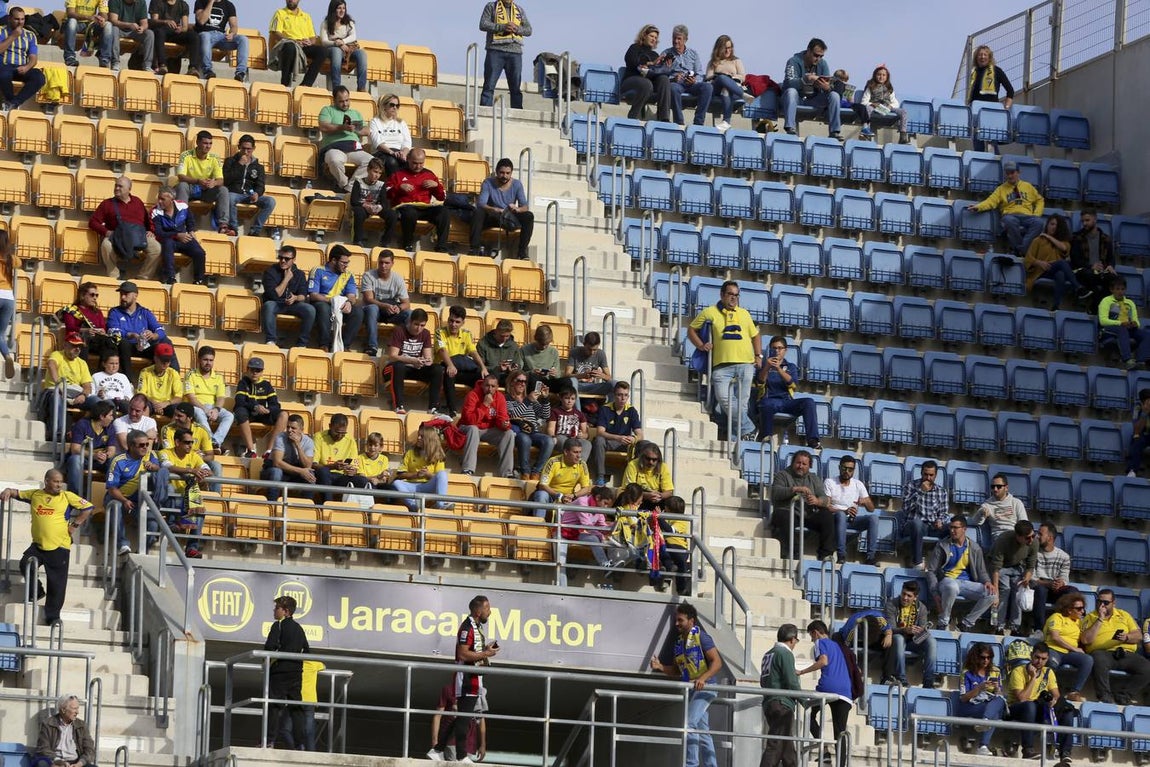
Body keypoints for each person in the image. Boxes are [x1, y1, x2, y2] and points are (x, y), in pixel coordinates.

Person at [1, 471, 93, 625]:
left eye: (61, 482)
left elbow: (88, 507)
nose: (59, 485)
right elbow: (17, 493)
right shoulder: (35, 495)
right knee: (25, 564)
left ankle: (53, 617)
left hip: (59, 546)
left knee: (56, 584)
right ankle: (37, 591)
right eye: (55, 481)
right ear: (46, 481)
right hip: (38, 545)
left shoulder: (67, 496)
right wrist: (7, 491)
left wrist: (75, 525)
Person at [688, 281, 761, 441]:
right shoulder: (710, 312)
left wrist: (758, 355)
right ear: (722, 295)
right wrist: (701, 345)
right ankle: (749, 428)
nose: (733, 298)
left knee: (741, 404)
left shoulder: (744, 313)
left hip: (745, 364)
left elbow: (755, 335)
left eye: (736, 295)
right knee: (724, 400)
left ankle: (738, 439)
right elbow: (691, 329)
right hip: (720, 366)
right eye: (730, 294)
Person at [428, 596, 499, 762]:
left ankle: (437, 750)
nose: (490, 612)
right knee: (465, 718)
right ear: (478, 610)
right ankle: (461, 756)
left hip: (474, 677)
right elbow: (462, 653)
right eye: (488, 608)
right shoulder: (467, 627)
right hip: (467, 678)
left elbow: (474, 652)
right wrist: (486, 654)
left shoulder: (476, 627)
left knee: (463, 716)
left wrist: (486, 650)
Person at [651, 602, 722, 767]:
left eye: (680, 620)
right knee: (703, 732)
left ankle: (691, 764)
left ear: (691, 621)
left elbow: (717, 663)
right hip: (693, 689)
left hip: (706, 688)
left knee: (689, 724)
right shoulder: (679, 643)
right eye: (677, 620)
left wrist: (703, 678)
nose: (677, 624)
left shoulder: (702, 637)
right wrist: (660, 667)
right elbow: (677, 670)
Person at [1005, 642, 1073, 762]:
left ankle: (1065, 752)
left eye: (1043, 659)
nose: (1039, 661)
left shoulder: (1048, 672)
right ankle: (1027, 750)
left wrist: (1053, 700)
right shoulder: (1018, 671)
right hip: (1017, 708)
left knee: (1067, 711)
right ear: (1031, 656)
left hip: (1039, 707)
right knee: (1030, 706)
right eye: (1037, 657)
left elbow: (1056, 694)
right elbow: (1022, 698)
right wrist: (1033, 678)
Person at [1081, 587, 1150, 704]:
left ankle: (1123, 695)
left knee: (1147, 668)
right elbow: (1086, 640)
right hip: (1103, 653)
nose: (1102, 605)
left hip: (1125, 653)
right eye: (1099, 602)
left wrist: (1127, 637)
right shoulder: (1090, 617)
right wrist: (1100, 619)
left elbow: (1138, 635)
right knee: (1098, 660)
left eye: (1106, 603)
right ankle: (1105, 696)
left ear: (1113, 603)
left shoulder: (1124, 615)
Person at [104, 429, 169, 554]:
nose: (145, 448)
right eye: (141, 445)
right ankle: (122, 545)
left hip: (139, 501)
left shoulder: (151, 456)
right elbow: (112, 489)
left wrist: (155, 467)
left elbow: (160, 471)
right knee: (116, 507)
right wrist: (124, 500)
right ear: (131, 446)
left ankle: (142, 551)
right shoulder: (118, 461)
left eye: (146, 444)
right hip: (118, 497)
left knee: (153, 524)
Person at [88, 177, 162, 281]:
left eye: (120, 186)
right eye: (116, 186)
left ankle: (143, 277)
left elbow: (147, 220)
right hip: (117, 237)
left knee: (156, 248)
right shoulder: (107, 204)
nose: (117, 188)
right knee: (106, 245)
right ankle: (114, 276)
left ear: (129, 189)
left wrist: (150, 230)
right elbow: (93, 222)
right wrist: (106, 232)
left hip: (138, 237)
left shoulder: (138, 202)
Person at [966, 161, 1045, 256]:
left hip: (1027, 216)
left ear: (1018, 173)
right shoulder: (1001, 189)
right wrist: (978, 207)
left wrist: (1036, 214)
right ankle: (1023, 251)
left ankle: (1020, 249)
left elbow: (1040, 200)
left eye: (1012, 173)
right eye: (1007, 173)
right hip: (1010, 216)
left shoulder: (1028, 186)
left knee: (1039, 222)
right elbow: (991, 201)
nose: (1010, 176)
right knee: (1009, 221)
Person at [797, 620, 851, 759]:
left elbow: (823, 661)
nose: (811, 639)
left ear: (815, 632)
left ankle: (824, 751)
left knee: (809, 714)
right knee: (840, 731)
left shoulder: (820, 643)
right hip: (845, 692)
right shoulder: (837, 646)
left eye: (811, 636)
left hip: (828, 688)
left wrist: (802, 672)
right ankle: (841, 764)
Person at [755, 336, 820, 448]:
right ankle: (766, 438)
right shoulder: (764, 366)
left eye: (780, 348)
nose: (777, 351)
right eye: (774, 348)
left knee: (809, 402)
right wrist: (767, 367)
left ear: (785, 350)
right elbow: (760, 382)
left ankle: (813, 440)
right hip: (770, 400)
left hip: (787, 402)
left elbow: (793, 384)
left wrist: (779, 369)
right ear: (770, 349)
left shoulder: (791, 367)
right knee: (765, 404)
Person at [264, 595, 310, 750]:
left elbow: (269, 648)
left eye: (277, 608)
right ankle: (300, 744)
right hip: (296, 673)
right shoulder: (299, 628)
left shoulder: (278, 625)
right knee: (296, 709)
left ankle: (269, 741)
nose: (274, 610)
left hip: (280, 672)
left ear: (286, 611)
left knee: (274, 707)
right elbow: (307, 650)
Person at [769, 450, 833, 560]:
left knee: (826, 515)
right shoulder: (782, 475)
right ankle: (794, 552)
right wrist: (795, 489)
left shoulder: (814, 478)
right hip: (788, 511)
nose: (800, 466)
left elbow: (825, 499)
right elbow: (775, 493)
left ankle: (825, 554)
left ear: (809, 466)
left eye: (804, 464)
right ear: (793, 463)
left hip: (808, 513)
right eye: (798, 463)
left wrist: (817, 501)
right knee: (784, 516)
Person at [159, 425, 210, 558]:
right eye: (187, 442)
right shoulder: (165, 452)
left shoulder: (194, 456)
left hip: (186, 497)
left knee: (199, 507)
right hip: (169, 497)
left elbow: (208, 469)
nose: (190, 446)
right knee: (170, 487)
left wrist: (203, 473)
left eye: (191, 442)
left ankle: (191, 548)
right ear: (177, 442)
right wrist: (191, 470)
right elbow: (167, 466)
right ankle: (172, 523)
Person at [107, 280, 177, 375]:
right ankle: (129, 381)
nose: (122, 297)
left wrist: (153, 335)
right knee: (123, 343)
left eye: (126, 294)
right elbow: (112, 330)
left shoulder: (145, 312)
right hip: (125, 348)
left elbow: (160, 330)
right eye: (121, 294)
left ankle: (173, 376)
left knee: (165, 343)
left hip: (143, 347)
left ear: (135, 295)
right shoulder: (115, 312)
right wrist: (130, 335)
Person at [386, 148, 449, 252]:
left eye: (421, 163)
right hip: (405, 208)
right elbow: (386, 194)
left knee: (444, 212)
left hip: (424, 208)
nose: (418, 166)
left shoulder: (429, 174)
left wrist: (436, 186)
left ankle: (441, 247)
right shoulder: (398, 174)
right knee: (409, 213)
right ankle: (407, 244)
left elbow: (441, 197)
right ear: (408, 159)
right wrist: (399, 187)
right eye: (415, 163)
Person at [469, 158, 534, 259]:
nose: (505, 176)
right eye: (502, 173)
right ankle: (474, 249)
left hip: (508, 217)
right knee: (478, 212)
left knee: (529, 216)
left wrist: (517, 209)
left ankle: (522, 252)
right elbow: (481, 203)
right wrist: (494, 209)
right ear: (496, 172)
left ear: (511, 173)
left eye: (508, 173)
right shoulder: (488, 183)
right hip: (492, 216)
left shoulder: (517, 184)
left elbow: (525, 206)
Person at [383, 308, 443, 415]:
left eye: (422, 325)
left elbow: (428, 359)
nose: (419, 328)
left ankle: (433, 408)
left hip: (415, 368)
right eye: (416, 324)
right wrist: (412, 360)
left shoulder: (425, 334)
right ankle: (398, 406)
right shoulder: (399, 330)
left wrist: (423, 361)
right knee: (398, 366)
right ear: (410, 321)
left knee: (437, 369)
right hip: (395, 368)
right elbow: (392, 356)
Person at [307, 244, 363, 353]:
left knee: (358, 312)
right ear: (333, 260)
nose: (346, 266)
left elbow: (352, 296)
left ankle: (345, 346)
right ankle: (324, 344)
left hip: (341, 304)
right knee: (323, 309)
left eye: (347, 263)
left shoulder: (349, 275)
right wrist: (332, 300)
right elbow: (313, 294)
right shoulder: (318, 270)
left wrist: (349, 303)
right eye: (343, 262)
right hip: (323, 302)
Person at [881, 580, 937, 688]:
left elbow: (922, 629)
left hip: (913, 641)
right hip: (896, 641)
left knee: (932, 641)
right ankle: (901, 678)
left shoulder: (922, 608)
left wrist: (922, 631)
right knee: (898, 638)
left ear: (915, 597)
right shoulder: (891, 604)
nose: (905, 598)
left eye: (909, 596)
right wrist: (905, 630)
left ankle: (928, 681)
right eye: (903, 594)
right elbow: (890, 629)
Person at [759, 623, 801, 767]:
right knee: (776, 744)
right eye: (796, 640)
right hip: (782, 704)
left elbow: (762, 681)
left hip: (769, 703)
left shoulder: (768, 654)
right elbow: (791, 682)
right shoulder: (785, 653)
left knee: (787, 746)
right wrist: (804, 700)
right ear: (792, 639)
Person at [317, 85, 373, 193]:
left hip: (353, 148)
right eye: (341, 101)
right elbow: (323, 126)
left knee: (371, 162)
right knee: (334, 160)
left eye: (347, 100)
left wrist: (355, 130)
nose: (345, 104)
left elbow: (367, 130)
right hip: (334, 147)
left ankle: (349, 187)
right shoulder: (327, 110)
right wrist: (341, 127)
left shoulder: (356, 113)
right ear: (334, 100)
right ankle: (343, 183)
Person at [781, 38, 841, 138]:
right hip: (797, 99)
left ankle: (835, 132)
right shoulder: (793, 61)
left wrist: (827, 88)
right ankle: (790, 128)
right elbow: (789, 83)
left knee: (834, 95)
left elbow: (828, 84)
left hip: (814, 99)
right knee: (791, 92)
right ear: (808, 50)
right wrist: (806, 79)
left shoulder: (823, 64)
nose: (818, 59)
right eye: (816, 55)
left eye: (821, 56)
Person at [175, 130, 232, 234]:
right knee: (182, 186)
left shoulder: (215, 158)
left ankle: (223, 225)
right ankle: (180, 222)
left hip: (206, 189)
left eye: (210, 143)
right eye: (205, 143)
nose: (208, 146)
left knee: (223, 190)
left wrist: (213, 183)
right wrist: (197, 181)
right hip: (191, 187)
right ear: (197, 142)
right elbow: (181, 176)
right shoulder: (185, 155)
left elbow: (221, 180)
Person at [825, 455, 878, 565]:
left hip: (852, 520)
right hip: (835, 519)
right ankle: (841, 555)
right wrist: (844, 511)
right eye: (844, 468)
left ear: (854, 470)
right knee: (840, 515)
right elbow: (826, 506)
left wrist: (865, 502)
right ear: (839, 468)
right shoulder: (830, 482)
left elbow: (871, 508)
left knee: (873, 518)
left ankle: (871, 556)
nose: (847, 471)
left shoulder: (858, 484)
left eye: (850, 469)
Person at [987, 520, 1038, 634]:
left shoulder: (1033, 542)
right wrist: (996, 591)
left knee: (1018, 590)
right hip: (1000, 567)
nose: (1031, 540)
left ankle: (1015, 625)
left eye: (1033, 536)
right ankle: (998, 625)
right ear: (1018, 537)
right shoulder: (1003, 540)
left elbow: (1031, 565)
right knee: (1004, 590)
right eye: (1027, 538)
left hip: (1016, 567)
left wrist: (1027, 577)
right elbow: (996, 567)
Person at [459, 375, 515, 478]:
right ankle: (468, 469)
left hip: (487, 430)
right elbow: (470, 421)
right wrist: (484, 405)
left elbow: (503, 417)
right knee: (473, 429)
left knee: (509, 433)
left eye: (493, 386)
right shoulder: (473, 395)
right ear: (482, 385)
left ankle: (507, 473)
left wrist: (504, 424)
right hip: (466, 428)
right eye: (487, 386)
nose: (490, 389)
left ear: (497, 387)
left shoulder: (500, 397)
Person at [436, 305, 488, 417]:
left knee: (482, 377)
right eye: (451, 321)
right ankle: (452, 410)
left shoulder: (466, 334)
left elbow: (473, 351)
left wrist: (483, 368)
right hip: (446, 367)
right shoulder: (440, 332)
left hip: (460, 368)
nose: (453, 324)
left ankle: (479, 409)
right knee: (449, 373)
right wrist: (450, 365)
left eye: (457, 322)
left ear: (463, 322)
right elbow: (442, 350)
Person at [478, 0, 530, 109]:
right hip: (495, 51)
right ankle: (485, 112)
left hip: (515, 53)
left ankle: (517, 113)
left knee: (515, 88)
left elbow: (528, 30)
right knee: (489, 85)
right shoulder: (491, 6)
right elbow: (483, 24)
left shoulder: (519, 10)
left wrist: (516, 29)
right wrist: (502, 27)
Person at [956, 643, 1006, 756]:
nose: (986, 660)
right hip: (969, 706)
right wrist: (979, 688)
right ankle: (983, 744)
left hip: (987, 706)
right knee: (995, 713)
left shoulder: (995, 671)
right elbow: (963, 698)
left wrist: (997, 689)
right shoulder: (966, 672)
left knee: (1000, 700)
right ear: (976, 657)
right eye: (983, 657)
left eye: (989, 658)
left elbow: (999, 694)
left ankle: (985, 723)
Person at [151, 186, 207, 285]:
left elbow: (190, 220)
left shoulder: (183, 206)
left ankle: (199, 279)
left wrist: (191, 230)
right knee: (167, 244)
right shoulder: (155, 212)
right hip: (168, 239)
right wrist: (176, 235)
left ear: (172, 199)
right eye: (159, 198)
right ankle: (170, 277)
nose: (159, 201)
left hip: (183, 237)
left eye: (162, 199)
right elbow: (158, 233)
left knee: (200, 253)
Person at [262, 245, 315, 348]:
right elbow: (274, 295)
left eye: (286, 259)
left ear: (293, 259)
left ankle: (302, 344)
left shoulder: (299, 274)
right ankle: (271, 341)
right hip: (275, 303)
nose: (283, 261)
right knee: (268, 305)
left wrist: (295, 298)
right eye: (280, 257)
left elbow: (303, 295)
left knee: (310, 309)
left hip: (293, 304)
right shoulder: (270, 272)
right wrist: (286, 279)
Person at [40, 332, 93, 436]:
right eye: (74, 345)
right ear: (65, 345)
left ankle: (90, 434)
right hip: (56, 391)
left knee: (99, 403)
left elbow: (87, 386)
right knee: (56, 396)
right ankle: (59, 433)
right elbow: (51, 365)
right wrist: (58, 384)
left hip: (76, 394)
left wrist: (83, 395)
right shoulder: (57, 354)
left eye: (79, 346)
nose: (77, 349)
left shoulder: (82, 363)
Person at [223, 134, 276, 238]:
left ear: (253, 149)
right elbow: (226, 179)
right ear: (239, 147)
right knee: (229, 197)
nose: (246, 152)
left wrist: (257, 193)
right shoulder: (230, 161)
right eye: (243, 149)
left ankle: (255, 231)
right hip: (234, 193)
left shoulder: (258, 167)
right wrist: (239, 164)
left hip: (249, 195)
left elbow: (261, 184)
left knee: (270, 201)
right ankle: (233, 228)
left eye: (249, 149)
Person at [233, 357, 288, 458]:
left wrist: (268, 410)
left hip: (262, 414)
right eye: (252, 369)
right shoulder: (243, 383)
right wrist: (255, 407)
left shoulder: (266, 385)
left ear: (262, 372)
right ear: (247, 370)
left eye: (258, 370)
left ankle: (269, 451)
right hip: (248, 413)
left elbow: (275, 404)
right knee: (240, 411)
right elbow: (239, 401)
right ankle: (251, 450)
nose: (255, 372)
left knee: (283, 415)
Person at [1043, 592, 1092, 703]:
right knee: (1051, 662)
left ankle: (1074, 692)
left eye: (1083, 608)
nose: (1082, 611)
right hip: (1053, 649)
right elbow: (1055, 637)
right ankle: (1049, 690)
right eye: (1079, 609)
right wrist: (1075, 649)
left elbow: (1085, 639)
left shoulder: (1079, 622)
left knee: (1088, 660)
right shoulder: (1057, 617)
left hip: (1069, 653)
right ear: (1069, 610)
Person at [360, 248, 409, 356]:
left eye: (387, 263)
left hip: (391, 311)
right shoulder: (368, 275)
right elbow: (368, 299)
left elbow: (406, 303)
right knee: (373, 308)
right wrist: (385, 305)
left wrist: (399, 308)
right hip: (373, 311)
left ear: (392, 264)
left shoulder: (398, 278)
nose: (383, 266)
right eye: (381, 262)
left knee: (410, 314)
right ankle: (372, 346)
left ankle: (405, 349)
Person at [591, 381, 641, 486]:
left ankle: (635, 480)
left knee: (643, 444)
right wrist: (618, 438)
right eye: (620, 395)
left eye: (626, 395)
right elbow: (600, 432)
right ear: (614, 395)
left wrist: (633, 438)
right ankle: (600, 476)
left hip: (625, 444)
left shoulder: (632, 411)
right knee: (599, 440)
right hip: (609, 441)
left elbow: (640, 434)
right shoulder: (605, 409)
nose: (623, 398)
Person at [1024, 214, 1080, 310]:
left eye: (1056, 225)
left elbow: (1064, 248)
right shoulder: (1038, 240)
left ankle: (1056, 305)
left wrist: (1048, 237)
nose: (1054, 227)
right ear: (1047, 225)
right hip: (1040, 271)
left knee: (1060, 274)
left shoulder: (1064, 242)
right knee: (1062, 263)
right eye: (1052, 224)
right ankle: (1078, 287)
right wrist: (1039, 262)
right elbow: (1028, 259)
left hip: (1053, 271)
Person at [899, 460, 948, 569]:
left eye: (931, 475)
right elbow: (905, 508)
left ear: (935, 475)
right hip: (913, 525)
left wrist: (940, 521)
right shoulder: (910, 486)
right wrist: (920, 491)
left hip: (932, 527)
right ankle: (917, 562)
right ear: (921, 473)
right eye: (926, 474)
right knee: (917, 523)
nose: (928, 478)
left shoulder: (941, 491)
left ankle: (946, 564)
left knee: (955, 527)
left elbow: (944, 513)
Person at [965, 45, 1014, 152]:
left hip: (992, 113)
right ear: (976, 57)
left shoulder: (997, 71)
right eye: (980, 55)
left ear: (989, 57)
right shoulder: (974, 73)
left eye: (985, 54)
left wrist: (1005, 108)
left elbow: (1010, 91)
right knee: (978, 145)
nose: (982, 57)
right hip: (976, 113)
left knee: (992, 143)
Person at [661, 25, 713, 127]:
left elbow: (700, 73)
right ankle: (679, 122)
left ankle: (698, 122)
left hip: (691, 84)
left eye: (679, 39)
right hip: (676, 83)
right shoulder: (666, 53)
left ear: (685, 40)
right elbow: (660, 74)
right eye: (674, 38)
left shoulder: (693, 54)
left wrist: (695, 81)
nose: (676, 41)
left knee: (708, 87)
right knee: (673, 88)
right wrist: (672, 79)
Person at [391, 425, 450, 512]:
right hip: (412, 486)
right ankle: (415, 506)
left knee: (443, 474)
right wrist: (417, 475)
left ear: (429, 439)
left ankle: (440, 504)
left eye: (421, 436)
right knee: (396, 483)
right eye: (418, 435)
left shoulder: (438, 455)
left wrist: (427, 474)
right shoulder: (410, 453)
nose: (418, 438)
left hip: (428, 485)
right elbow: (400, 474)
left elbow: (439, 478)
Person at [63, 400, 117, 495]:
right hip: (85, 458)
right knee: (75, 459)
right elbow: (75, 449)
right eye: (110, 415)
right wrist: (94, 455)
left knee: (114, 461)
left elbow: (112, 449)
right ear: (101, 416)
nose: (112, 418)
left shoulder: (110, 427)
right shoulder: (82, 424)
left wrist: (106, 455)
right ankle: (75, 496)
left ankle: (111, 494)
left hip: (101, 460)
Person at [185, 345, 233, 452]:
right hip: (196, 406)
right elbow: (191, 397)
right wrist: (205, 409)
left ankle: (215, 441)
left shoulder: (219, 377)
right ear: (199, 360)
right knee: (199, 413)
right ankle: (211, 441)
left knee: (229, 416)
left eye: (211, 360)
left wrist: (216, 410)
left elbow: (221, 397)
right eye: (205, 360)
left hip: (212, 407)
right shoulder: (190, 375)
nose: (208, 363)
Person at [504, 371, 551, 480]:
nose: (522, 384)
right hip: (519, 432)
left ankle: (536, 472)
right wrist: (527, 401)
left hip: (533, 432)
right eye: (519, 381)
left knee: (548, 440)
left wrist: (545, 399)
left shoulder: (530, 399)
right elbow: (513, 414)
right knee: (525, 439)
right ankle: (525, 472)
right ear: (512, 382)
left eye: (524, 381)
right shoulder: (507, 399)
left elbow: (545, 415)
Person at [312, 412, 370, 499]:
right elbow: (313, 464)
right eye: (337, 432)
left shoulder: (350, 440)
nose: (339, 436)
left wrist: (352, 470)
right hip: (323, 475)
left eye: (343, 433)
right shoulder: (319, 437)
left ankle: (358, 510)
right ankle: (328, 505)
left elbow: (355, 465)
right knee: (323, 471)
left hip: (341, 477)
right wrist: (332, 466)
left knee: (363, 481)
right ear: (330, 426)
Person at [620, 24, 672, 122]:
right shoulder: (634, 47)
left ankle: (664, 118)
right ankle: (633, 116)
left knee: (664, 79)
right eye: (651, 36)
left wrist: (664, 67)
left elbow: (655, 73)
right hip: (631, 79)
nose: (654, 39)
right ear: (644, 35)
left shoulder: (655, 55)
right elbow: (631, 62)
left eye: (655, 37)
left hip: (648, 81)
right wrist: (649, 63)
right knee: (646, 84)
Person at [259, 413, 316, 501]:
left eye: (293, 428)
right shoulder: (280, 438)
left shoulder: (308, 442)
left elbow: (308, 466)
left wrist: (298, 446)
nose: (289, 430)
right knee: (276, 472)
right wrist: (301, 471)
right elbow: (277, 463)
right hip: (272, 471)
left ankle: (306, 507)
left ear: (301, 430)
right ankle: (272, 505)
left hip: (293, 473)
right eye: (288, 427)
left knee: (310, 475)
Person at [531, 437, 592, 518]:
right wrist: (559, 496)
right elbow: (543, 485)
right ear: (566, 452)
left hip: (569, 498)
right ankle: (538, 526)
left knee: (584, 499)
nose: (579, 456)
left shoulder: (582, 464)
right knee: (541, 495)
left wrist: (573, 495)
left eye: (580, 452)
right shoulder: (553, 462)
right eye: (575, 452)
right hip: (551, 496)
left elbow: (586, 488)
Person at [268, 0, 322, 89]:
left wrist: (310, 42)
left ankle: (306, 84)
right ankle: (285, 83)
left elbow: (313, 37)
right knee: (290, 46)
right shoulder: (280, 13)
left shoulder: (306, 16)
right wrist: (294, 41)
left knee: (322, 51)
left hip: (304, 46)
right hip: (287, 44)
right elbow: (276, 33)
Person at [1069, 208, 1116, 310]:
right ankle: (1095, 309)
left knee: (1114, 279)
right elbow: (1075, 260)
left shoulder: (1106, 239)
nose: (1084, 223)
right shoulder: (1077, 238)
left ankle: (1097, 308)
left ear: (1095, 219)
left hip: (1100, 271)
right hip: (1083, 270)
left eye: (1087, 220)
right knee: (1089, 275)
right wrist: (1091, 266)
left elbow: (1111, 258)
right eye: (1083, 221)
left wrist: (1110, 266)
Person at [32, 694, 97, 767]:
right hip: (54, 761)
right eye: (74, 709)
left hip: (76, 762)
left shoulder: (81, 725)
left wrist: (80, 763)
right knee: (41, 764)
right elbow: (43, 748)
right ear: (63, 710)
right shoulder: (48, 724)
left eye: (77, 708)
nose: (77, 712)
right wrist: (58, 762)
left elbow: (90, 750)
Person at [968, 473, 1029, 550]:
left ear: (1006, 488)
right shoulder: (987, 504)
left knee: (1033, 542)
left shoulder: (1016, 502)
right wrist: (981, 513)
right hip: (999, 539)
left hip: (1015, 536)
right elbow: (976, 522)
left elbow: (1024, 524)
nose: (995, 489)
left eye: (999, 486)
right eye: (993, 487)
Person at [61, 282, 118, 363]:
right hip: (77, 340)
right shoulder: (71, 310)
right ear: (82, 296)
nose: (95, 298)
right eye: (92, 295)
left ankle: (102, 373)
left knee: (109, 343)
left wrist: (102, 331)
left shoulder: (97, 312)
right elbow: (70, 327)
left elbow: (103, 328)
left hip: (96, 341)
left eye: (96, 295)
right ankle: (82, 371)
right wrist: (86, 330)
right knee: (84, 341)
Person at [0, 8, 45, 110]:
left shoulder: (30, 35)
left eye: (22, 19)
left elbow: (33, 58)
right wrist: (13, 36)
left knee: (39, 77)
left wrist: (27, 67)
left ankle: (14, 103)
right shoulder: (1, 31)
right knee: (3, 74)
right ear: (9, 19)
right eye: (16, 19)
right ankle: (10, 101)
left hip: (21, 68)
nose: (20, 22)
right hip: (4, 66)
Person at [1032, 522, 1073, 631]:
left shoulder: (1064, 556)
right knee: (1041, 590)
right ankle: (1039, 629)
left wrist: (1061, 583)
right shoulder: (1033, 553)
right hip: (1038, 588)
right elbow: (1032, 578)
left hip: (1055, 590)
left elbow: (1064, 577)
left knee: (1073, 591)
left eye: (1040, 534)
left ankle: (1068, 627)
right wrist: (1048, 584)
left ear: (1050, 538)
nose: (1037, 536)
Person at [318, 0, 366, 92]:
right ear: (333, 9)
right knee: (337, 52)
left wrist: (342, 42)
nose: (342, 11)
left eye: (344, 8)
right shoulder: (325, 23)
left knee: (362, 54)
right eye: (339, 8)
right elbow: (324, 41)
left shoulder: (349, 22)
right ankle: (336, 87)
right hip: (332, 48)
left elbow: (353, 36)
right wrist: (336, 43)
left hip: (349, 48)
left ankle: (361, 87)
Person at [1100, 276, 1147, 370]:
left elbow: (1136, 320)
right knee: (1122, 329)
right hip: (1109, 329)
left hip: (1127, 328)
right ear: (1111, 289)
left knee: (1146, 335)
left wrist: (1134, 323)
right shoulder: (1106, 301)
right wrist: (1120, 323)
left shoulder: (1130, 303)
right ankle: (1127, 360)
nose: (1120, 292)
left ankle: (1140, 360)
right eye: (1117, 289)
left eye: (1122, 289)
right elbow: (1103, 321)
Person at [853, 65, 909, 143]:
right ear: (875, 75)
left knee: (903, 111)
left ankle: (903, 135)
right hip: (875, 107)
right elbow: (864, 102)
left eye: (883, 75)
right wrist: (873, 104)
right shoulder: (871, 86)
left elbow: (895, 102)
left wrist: (890, 106)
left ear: (887, 77)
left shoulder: (889, 87)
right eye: (879, 74)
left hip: (887, 107)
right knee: (867, 109)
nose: (881, 77)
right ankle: (866, 130)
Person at [193, 0, 247, 81]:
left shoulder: (229, 5)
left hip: (221, 36)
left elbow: (234, 26)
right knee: (205, 36)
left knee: (243, 39)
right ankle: (207, 70)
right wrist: (211, 2)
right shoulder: (200, 2)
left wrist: (232, 33)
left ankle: (241, 73)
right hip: (205, 34)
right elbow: (201, 21)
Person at [349, 158, 394, 249]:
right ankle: (358, 240)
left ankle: (385, 241)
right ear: (368, 170)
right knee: (358, 212)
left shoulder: (381, 184)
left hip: (375, 207)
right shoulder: (359, 182)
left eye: (379, 173)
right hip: (363, 206)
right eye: (375, 172)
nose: (377, 175)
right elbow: (354, 201)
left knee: (392, 214)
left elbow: (384, 202)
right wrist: (365, 206)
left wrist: (379, 207)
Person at [705, 35, 744, 132]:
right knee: (722, 77)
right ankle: (743, 95)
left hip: (731, 88)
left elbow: (742, 76)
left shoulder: (736, 61)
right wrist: (722, 76)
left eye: (729, 48)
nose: (728, 51)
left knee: (726, 89)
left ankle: (726, 122)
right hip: (716, 87)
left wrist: (731, 77)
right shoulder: (713, 62)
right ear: (719, 48)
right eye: (725, 48)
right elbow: (708, 78)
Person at [368, 93, 412, 179]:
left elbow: (407, 142)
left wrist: (404, 153)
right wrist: (392, 153)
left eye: (397, 105)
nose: (395, 107)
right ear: (384, 106)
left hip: (399, 152)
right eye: (392, 105)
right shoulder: (375, 121)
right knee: (392, 162)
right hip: (381, 152)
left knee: (412, 162)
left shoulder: (401, 122)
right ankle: (394, 186)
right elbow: (377, 143)